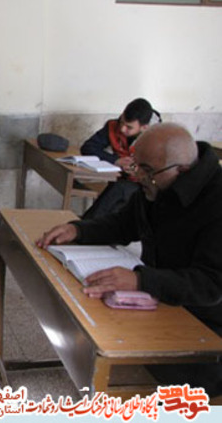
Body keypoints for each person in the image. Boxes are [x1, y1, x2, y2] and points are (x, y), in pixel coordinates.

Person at [37, 123, 222, 397]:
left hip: (208, 330)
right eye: (135, 165)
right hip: (164, 302)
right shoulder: (158, 184)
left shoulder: (215, 200)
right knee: (90, 319)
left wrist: (140, 279)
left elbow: (210, 284)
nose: (137, 176)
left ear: (181, 170)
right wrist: (79, 230)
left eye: (146, 170)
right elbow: (123, 225)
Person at [80, 98, 162, 219]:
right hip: (121, 182)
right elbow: (88, 147)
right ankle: (87, 225)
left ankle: (85, 225)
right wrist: (116, 160)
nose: (123, 129)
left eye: (129, 127)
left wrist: (137, 170)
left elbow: (160, 171)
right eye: (122, 122)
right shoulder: (113, 126)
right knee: (114, 202)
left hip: (144, 188)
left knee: (119, 196)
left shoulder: (159, 137)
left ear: (144, 127)